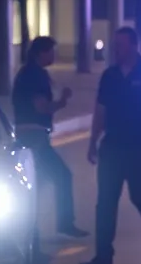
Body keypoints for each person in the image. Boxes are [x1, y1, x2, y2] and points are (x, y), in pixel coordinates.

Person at [80, 27, 141, 264]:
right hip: (112, 146)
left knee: (140, 195)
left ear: (133, 46)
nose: (116, 51)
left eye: (120, 46)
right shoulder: (109, 76)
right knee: (106, 202)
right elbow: (101, 110)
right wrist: (92, 141)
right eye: (114, 46)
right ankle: (103, 256)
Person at [11, 36, 86, 237]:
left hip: (29, 134)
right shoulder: (35, 76)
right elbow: (41, 107)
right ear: (40, 53)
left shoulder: (29, 73)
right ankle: (61, 223)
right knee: (61, 176)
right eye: (51, 51)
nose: (54, 55)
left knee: (40, 182)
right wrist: (62, 101)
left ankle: (30, 227)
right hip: (34, 135)